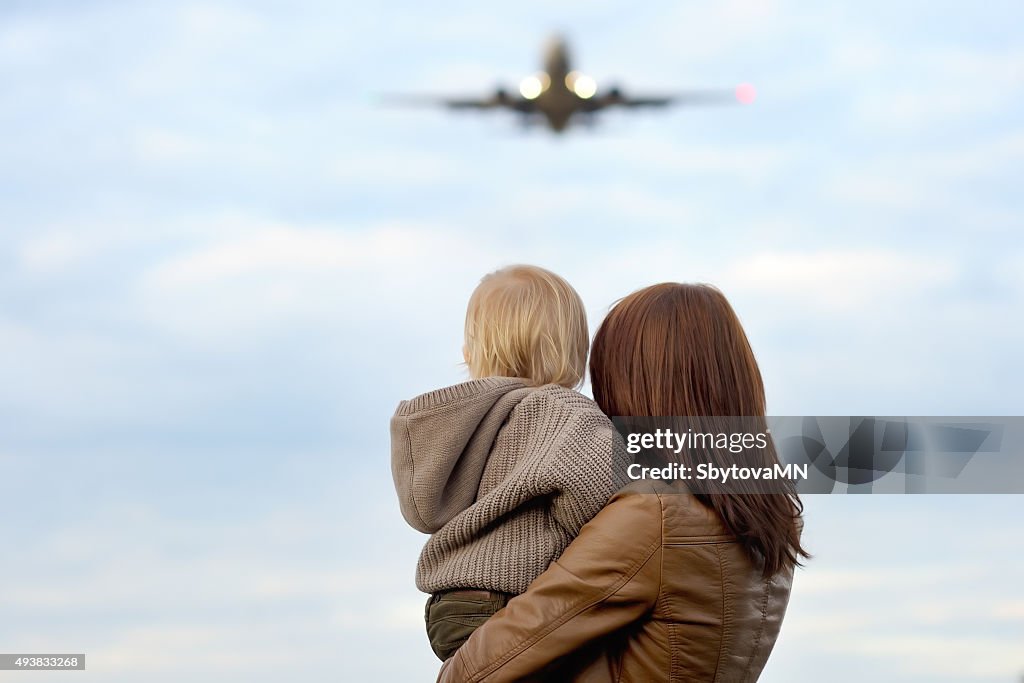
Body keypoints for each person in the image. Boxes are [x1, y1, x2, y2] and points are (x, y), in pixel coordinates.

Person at [438, 283, 809, 682]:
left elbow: (475, 672)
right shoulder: (769, 513)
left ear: (638, 385)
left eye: (604, 378)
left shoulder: (653, 517)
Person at [391, 265, 629, 661]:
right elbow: (607, 501)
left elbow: (423, 512)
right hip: (513, 601)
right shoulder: (561, 411)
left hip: (450, 607)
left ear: (471, 353)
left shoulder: (462, 427)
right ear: (575, 351)